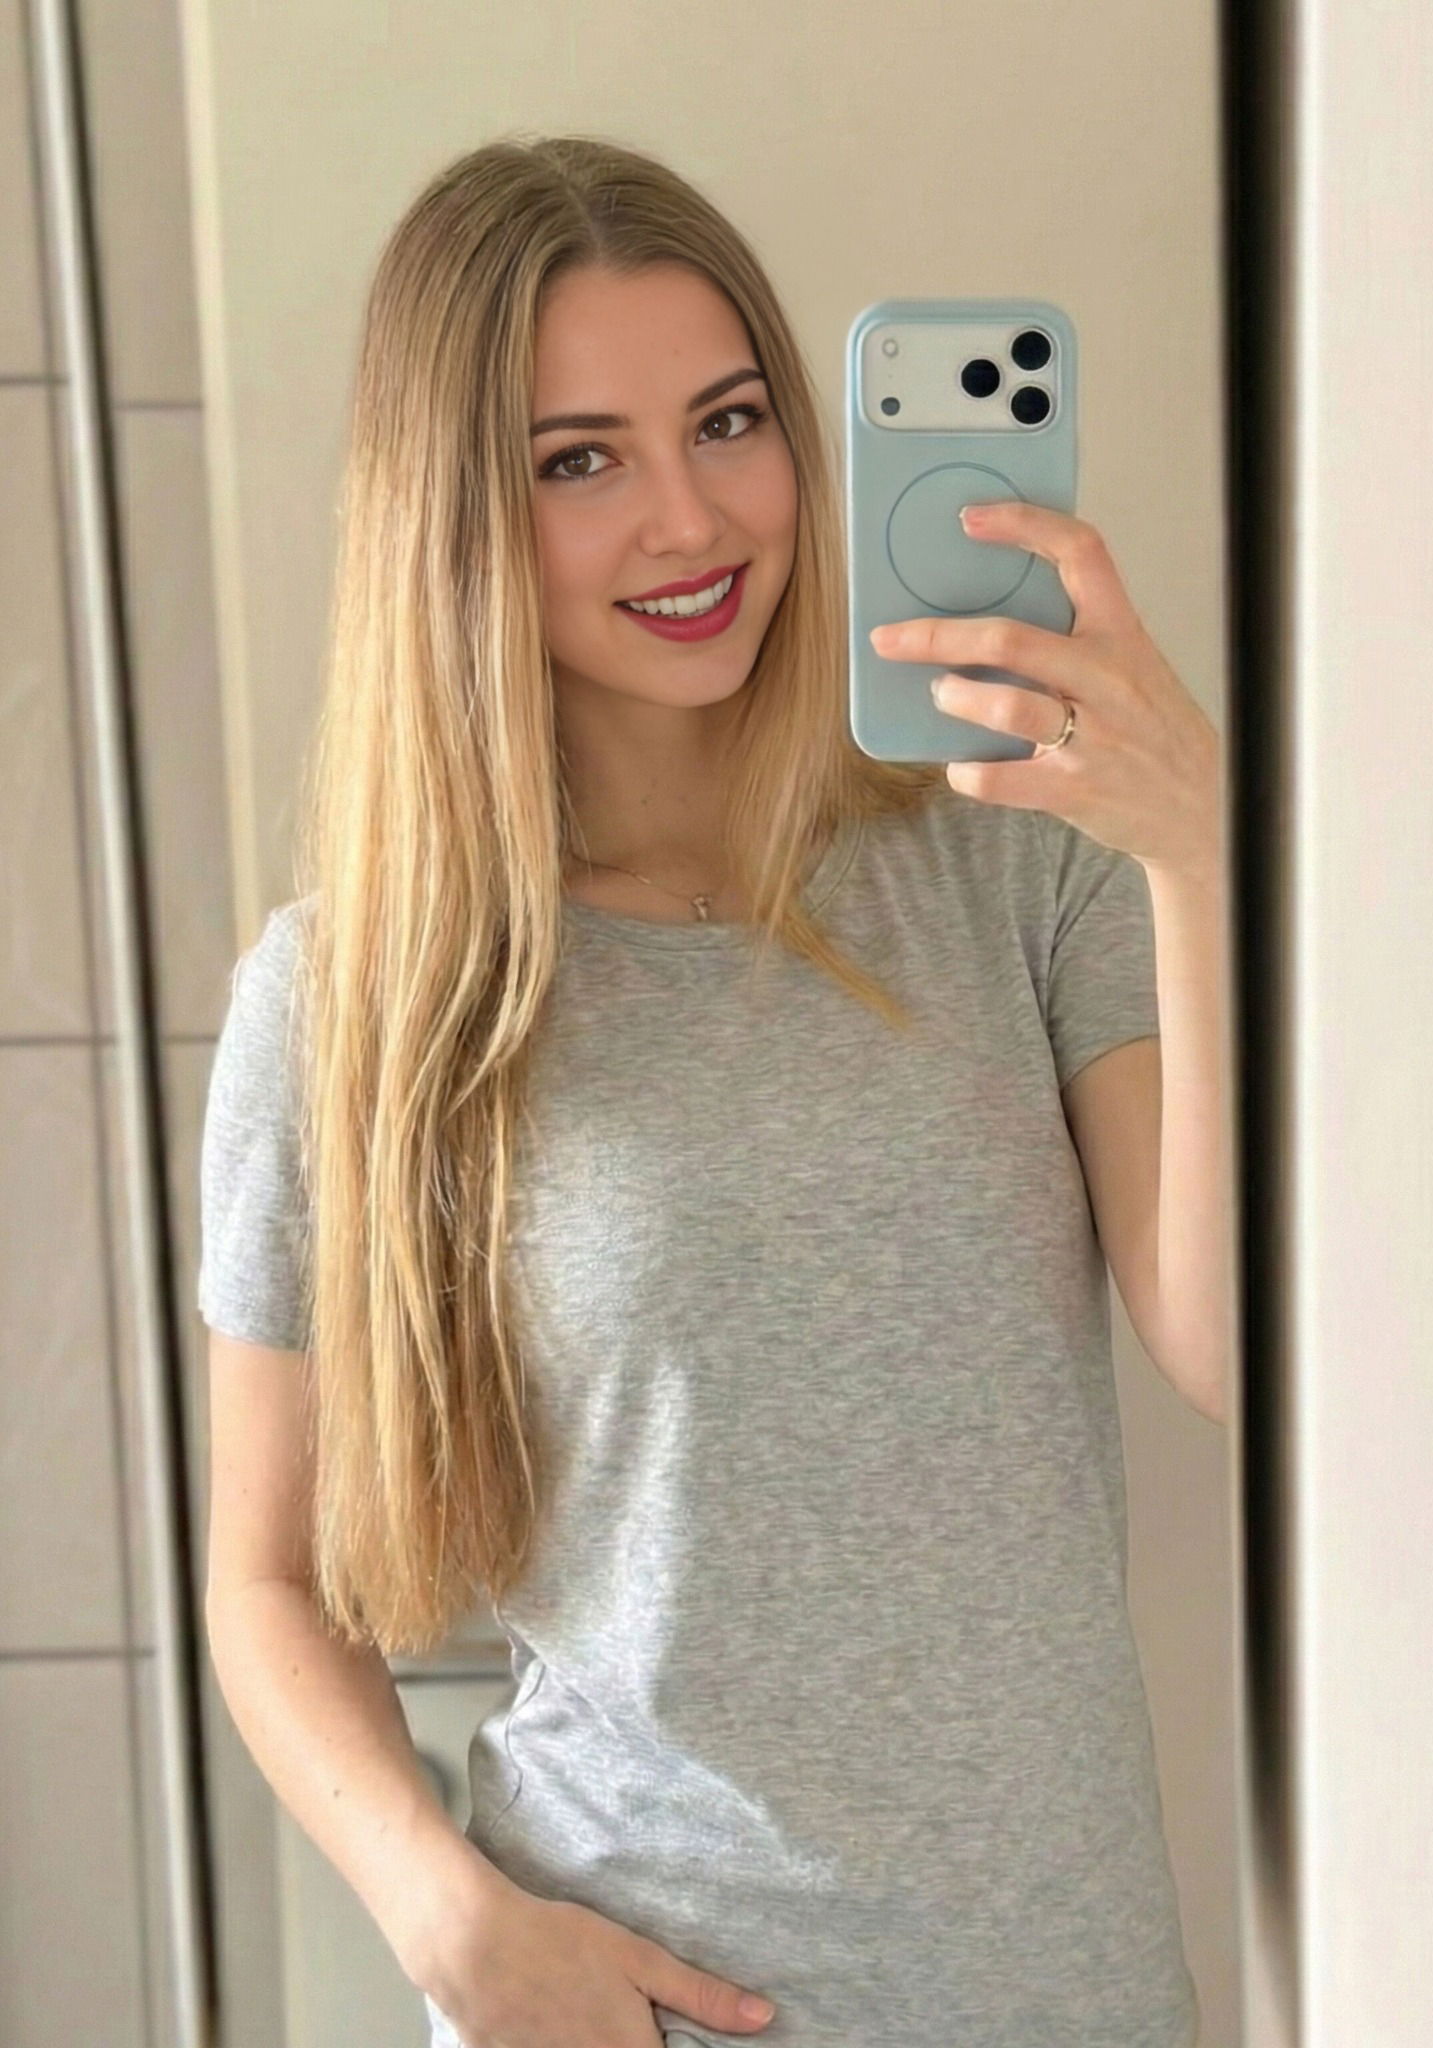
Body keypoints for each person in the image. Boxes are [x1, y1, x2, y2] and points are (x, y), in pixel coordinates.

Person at [198, 133, 1203, 2048]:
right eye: (578, 461)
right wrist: (449, 1922)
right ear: (458, 519)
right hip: (630, 2000)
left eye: (728, 425)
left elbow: (1231, 1345)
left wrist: (1196, 851)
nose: (688, 519)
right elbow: (266, 1580)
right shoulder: (349, 997)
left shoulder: (1019, 867)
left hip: (1058, 1998)